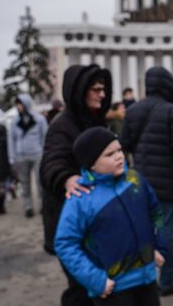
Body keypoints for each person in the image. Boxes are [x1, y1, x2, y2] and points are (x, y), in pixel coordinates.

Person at [55, 127, 166, 306]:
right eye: (109, 154)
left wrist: (159, 247)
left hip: (147, 278)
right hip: (114, 289)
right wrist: (96, 281)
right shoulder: (81, 199)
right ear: (91, 164)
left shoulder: (135, 180)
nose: (119, 156)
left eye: (119, 150)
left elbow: (155, 213)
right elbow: (65, 244)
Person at [40, 64, 112, 306]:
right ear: (79, 91)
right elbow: (51, 163)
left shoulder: (96, 122)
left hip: (94, 224)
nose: (102, 94)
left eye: (103, 89)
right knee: (81, 289)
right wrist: (66, 178)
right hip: (69, 223)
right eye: (95, 89)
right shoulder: (62, 125)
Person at [120, 67, 173, 296]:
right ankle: (167, 280)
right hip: (165, 180)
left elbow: (125, 144)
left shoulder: (133, 110)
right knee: (165, 231)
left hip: (139, 180)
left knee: (144, 228)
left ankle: (146, 276)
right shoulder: (171, 110)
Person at [8, 93, 48, 218]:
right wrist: (12, 157)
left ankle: (42, 204)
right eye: (17, 104)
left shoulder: (39, 119)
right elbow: (11, 140)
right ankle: (28, 206)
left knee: (39, 182)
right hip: (21, 156)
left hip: (37, 155)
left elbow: (45, 137)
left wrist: (44, 153)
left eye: (20, 104)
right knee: (24, 184)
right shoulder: (15, 122)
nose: (19, 107)